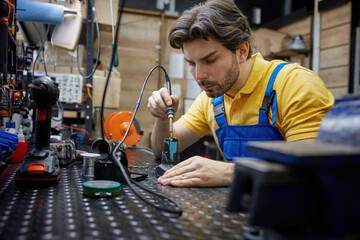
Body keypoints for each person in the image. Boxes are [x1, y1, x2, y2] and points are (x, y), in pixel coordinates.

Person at [147, 0, 334, 188]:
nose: (199, 75)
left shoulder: (294, 84)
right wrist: (162, 118)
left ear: (242, 52)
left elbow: (311, 168)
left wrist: (230, 172)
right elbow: (161, 150)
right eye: (192, 63)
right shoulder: (210, 99)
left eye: (210, 60)